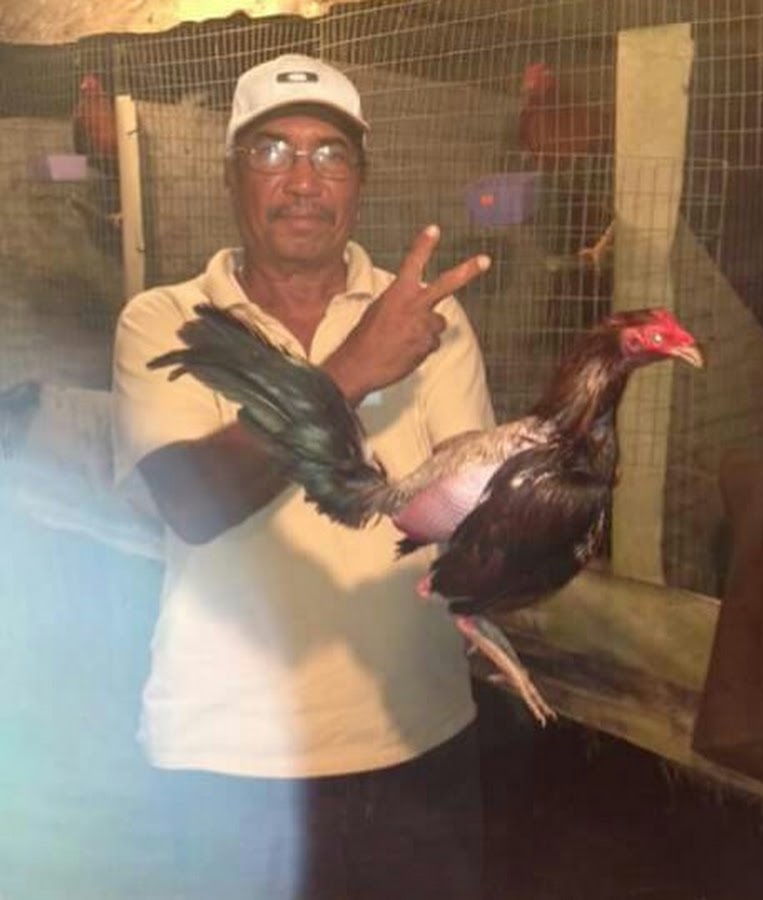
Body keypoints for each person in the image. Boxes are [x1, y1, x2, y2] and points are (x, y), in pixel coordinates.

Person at [112, 53, 494, 900]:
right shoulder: (165, 319)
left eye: (330, 154)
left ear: (360, 180)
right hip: (227, 758)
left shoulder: (427, 319)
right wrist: (351, 371)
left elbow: (468, 510)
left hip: (416, 733)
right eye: (271, 151)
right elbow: (193, 503)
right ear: (230, 175)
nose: (302, 181)